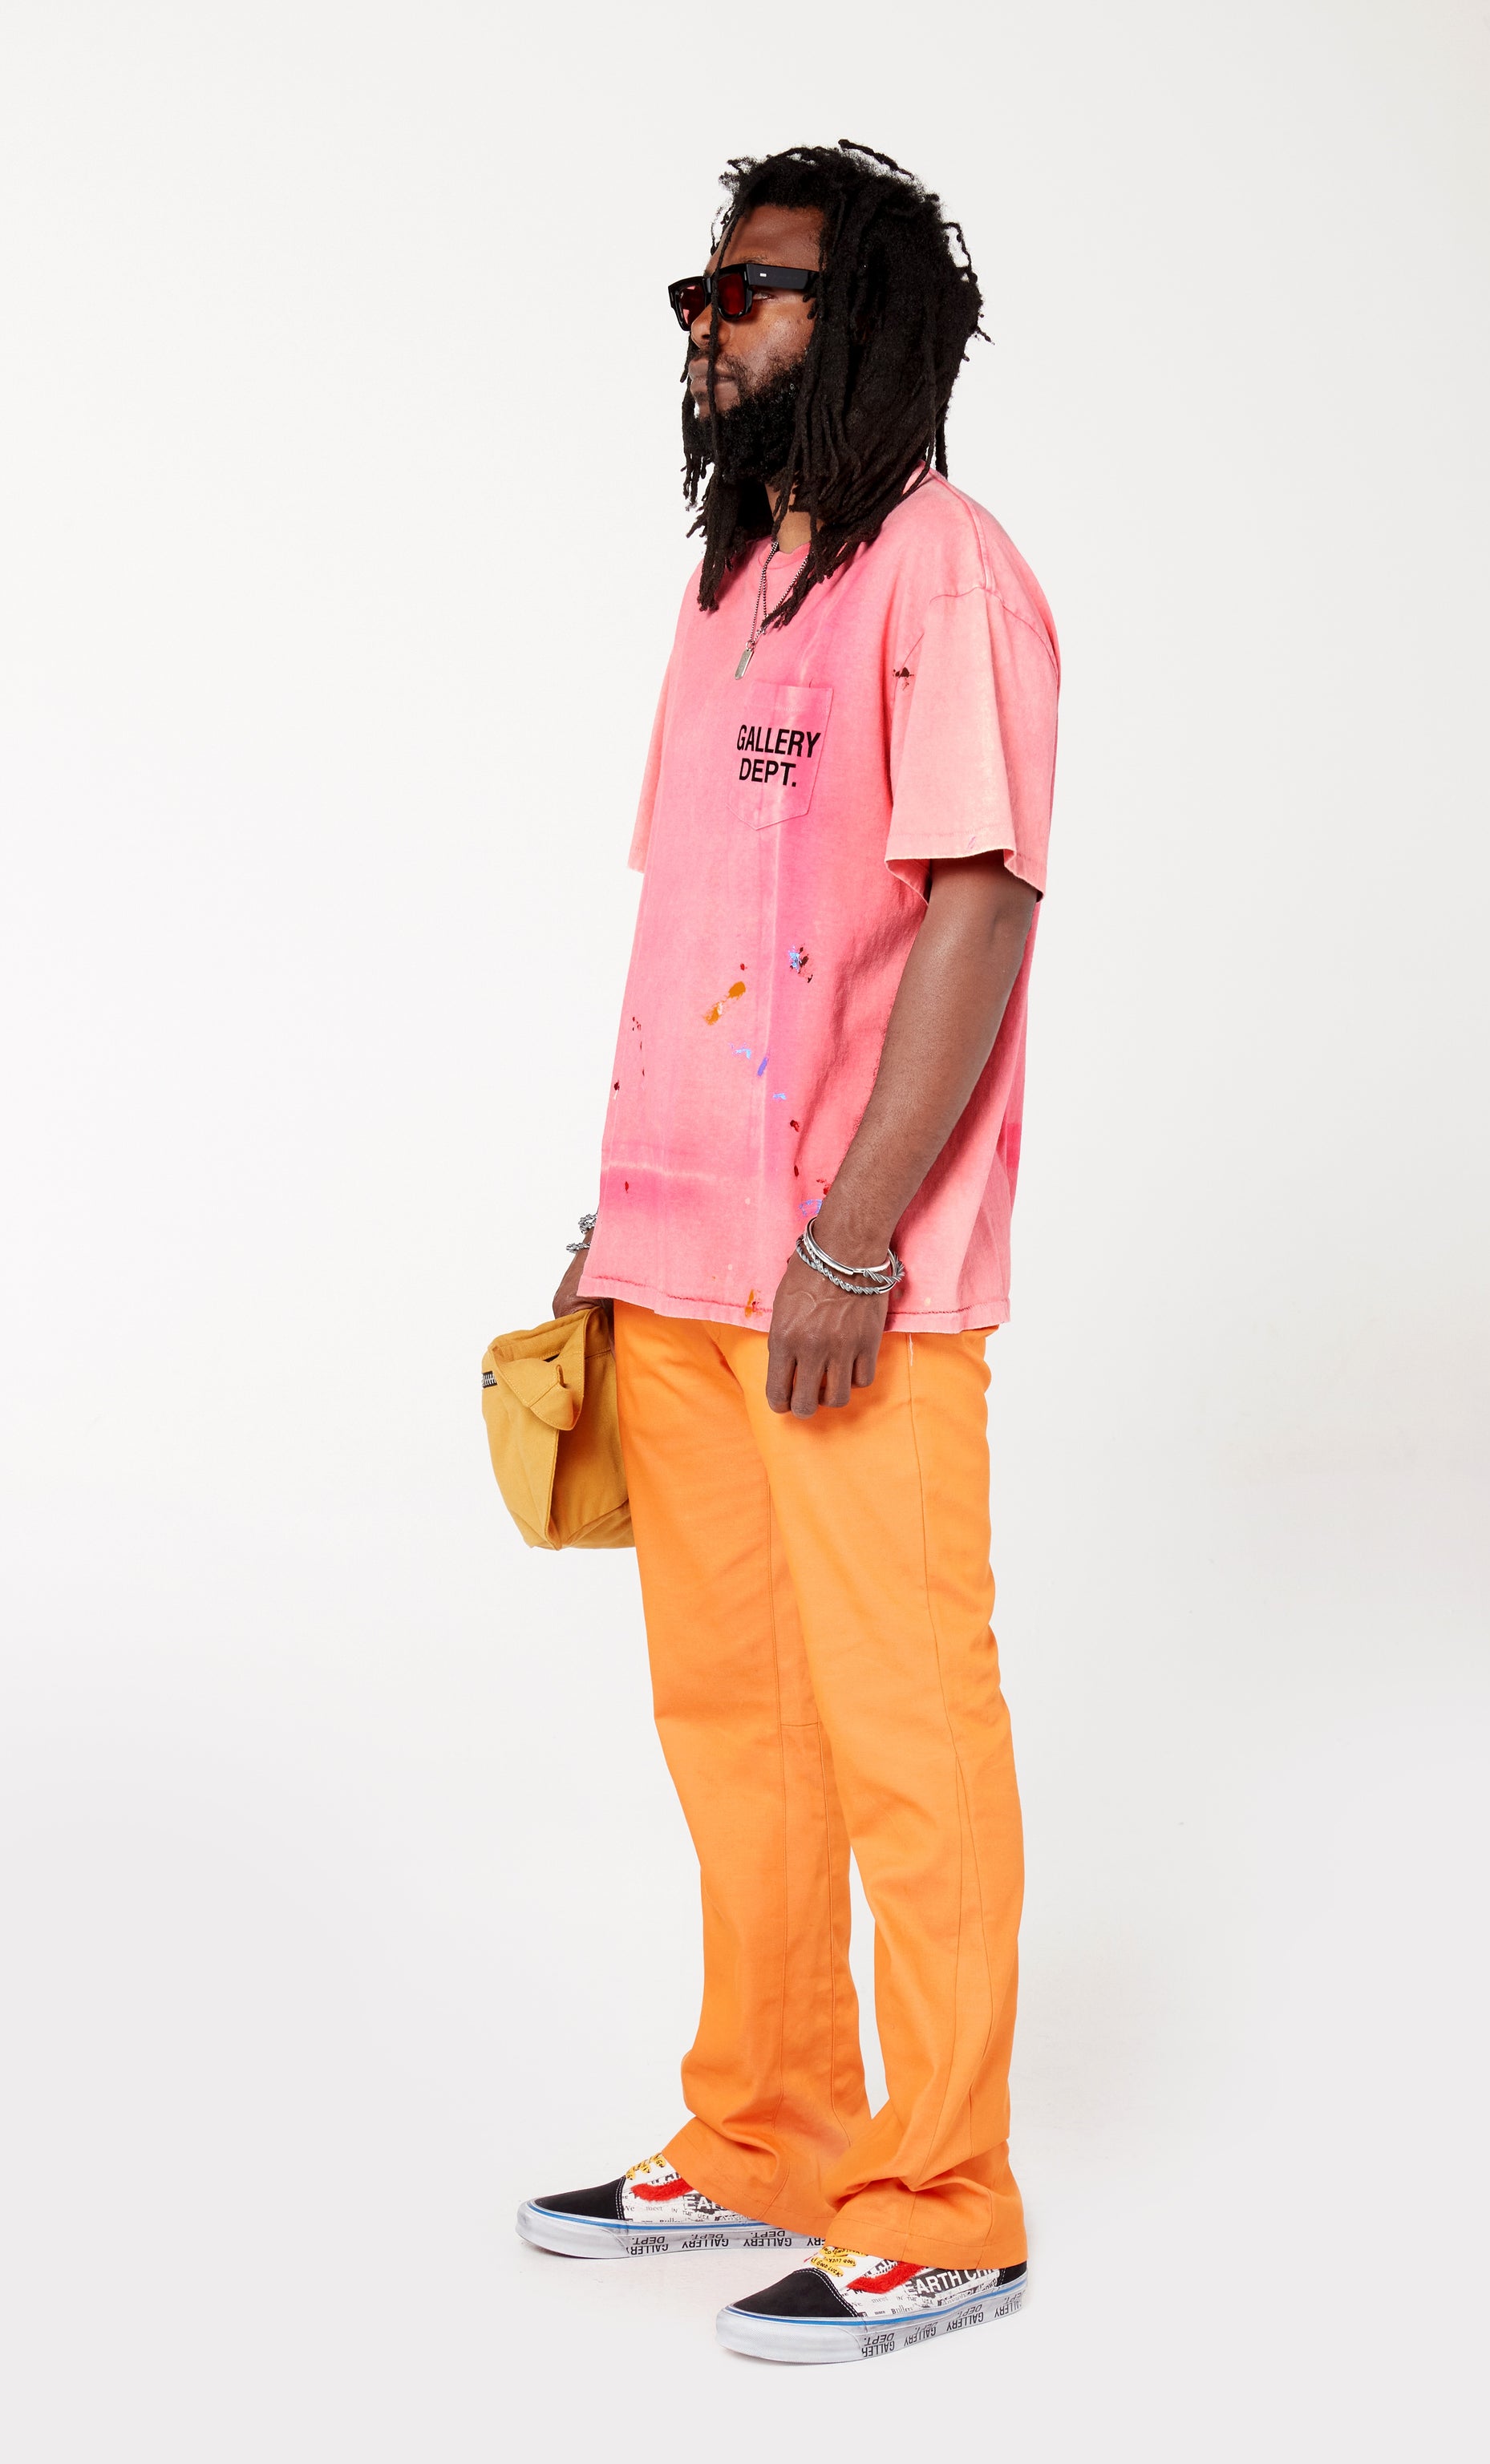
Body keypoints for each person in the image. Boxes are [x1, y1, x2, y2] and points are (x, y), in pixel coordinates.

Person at [516, 140, 1059, 2366]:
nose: (710, 324)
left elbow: (981, 907)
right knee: (736, 1726)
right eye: (702, 292)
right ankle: (766, 2126)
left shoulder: (953, 576)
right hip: (679, 1262)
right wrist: (618, 1214)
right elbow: (697, 933)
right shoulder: (734, 583)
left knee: (907, 1724)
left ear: (874, 319)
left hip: (854, 1282)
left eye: (752, 290)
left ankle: (945, 2199)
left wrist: (853, 1236)